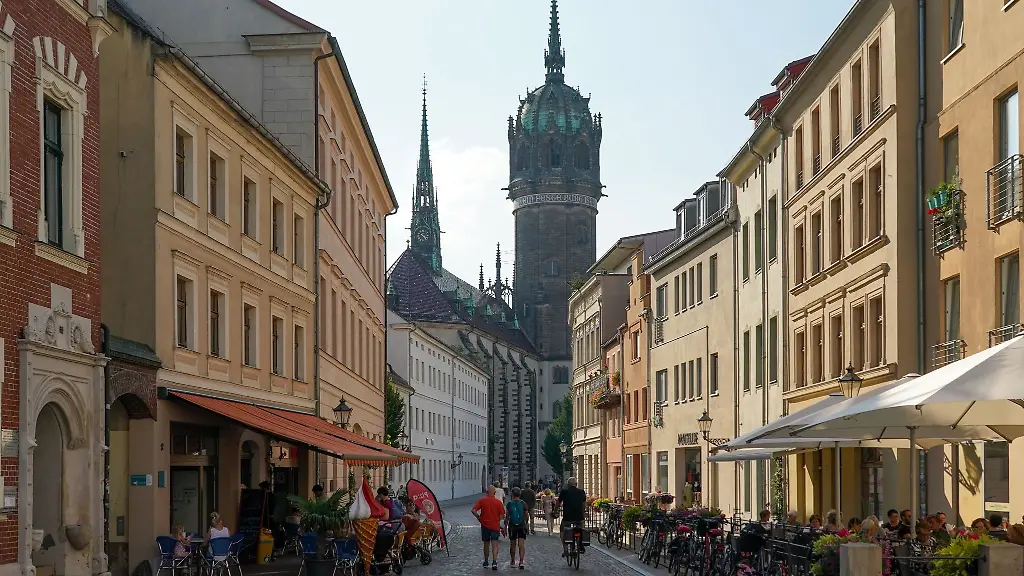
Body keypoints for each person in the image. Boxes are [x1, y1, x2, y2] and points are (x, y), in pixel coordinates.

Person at [473, 486, 506, 570]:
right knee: (495, 544)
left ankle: (486, 561)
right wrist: (499, 522)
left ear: (487, 492)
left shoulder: (482, 501)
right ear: (494, 493)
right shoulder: (498, 503)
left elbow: (473, 510)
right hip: (495, 526)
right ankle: (494, 562)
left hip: (485, 525)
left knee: (486, 544)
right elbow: (502, 516)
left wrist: (479, 517)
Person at [557, 477, 586, 558]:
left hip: (568, 517)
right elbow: (584, 504)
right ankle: (580, 543)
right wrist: (583, 513)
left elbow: (558, 503)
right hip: (579, 517)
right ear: (576, 484)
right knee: (581, 528)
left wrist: (555, 510)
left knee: (562, 530)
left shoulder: (564, 492)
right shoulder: (581, 492)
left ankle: (565, 550)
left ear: (568, 485)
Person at [505, 488, 528, 569]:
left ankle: (512, 561)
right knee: (521, 545)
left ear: (512, 494)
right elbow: (526, 515)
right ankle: (521, 562)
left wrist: (505, 527)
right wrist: (526, 522)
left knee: (513, 544)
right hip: (521, 525)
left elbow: (507, 516)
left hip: (512, 526)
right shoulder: (523, 503)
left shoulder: (509, 504)